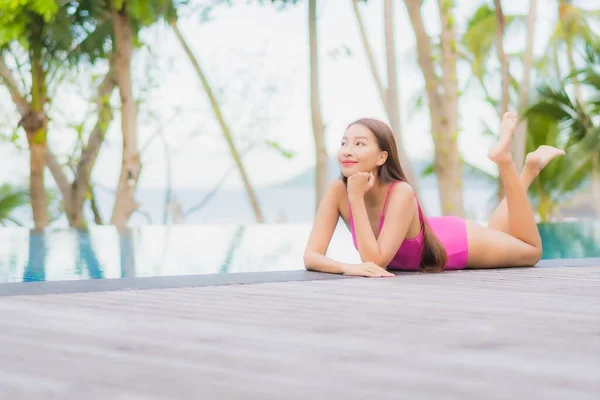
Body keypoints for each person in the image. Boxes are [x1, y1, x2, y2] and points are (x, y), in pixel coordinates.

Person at [303, 112, 566, 277]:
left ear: (382, 156)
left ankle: (508, 162)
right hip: (432, 233)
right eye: (344, 142)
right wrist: (347, 267)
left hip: (454, 243)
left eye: (359, 144)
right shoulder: (338, 190)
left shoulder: (401, 192)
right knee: (500, 235)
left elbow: (376, 260)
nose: (347, 150)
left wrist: (357, 198)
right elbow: (311, 256)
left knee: (531, 252)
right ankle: (530, 169)